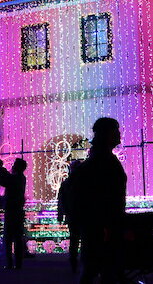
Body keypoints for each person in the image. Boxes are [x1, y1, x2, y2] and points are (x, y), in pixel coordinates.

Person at [72, 117, 127, 284]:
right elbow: (101, 196)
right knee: (99, 268)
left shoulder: (99, 159)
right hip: (102, 226)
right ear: (107, 134)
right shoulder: (102, 161)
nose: (119, 135)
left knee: (95, 269)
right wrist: (106, 224)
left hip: (99, 225)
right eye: (116, 131)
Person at [0, 158, 27, 270]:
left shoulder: (16, 178)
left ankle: (10, 263)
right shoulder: (21, 178)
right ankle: (18, 263)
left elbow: (3, 180)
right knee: (17, 238)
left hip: (12, 210)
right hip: (18, 210)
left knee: (9, 238)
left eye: (14, 165)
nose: (12, 166)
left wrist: (0, 167)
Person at [56, 160, 82, 273]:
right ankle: (81, 262)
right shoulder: (84, 182)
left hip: (72, 215)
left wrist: (61, 214)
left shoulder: (67, 183)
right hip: (82, 214)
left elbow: (61, 200)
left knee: (74, 239)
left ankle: (74, 262)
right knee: (82, 239)